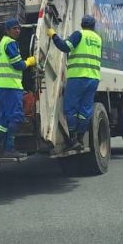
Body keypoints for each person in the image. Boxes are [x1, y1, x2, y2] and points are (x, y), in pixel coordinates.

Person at [46, 15, 102, 150]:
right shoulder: (98, 39)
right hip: (93, 78)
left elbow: (65, 47)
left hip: (78, 77)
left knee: (70, 108)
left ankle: (72, 139)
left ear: (82, 24)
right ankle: (80, 139)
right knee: (85, 110)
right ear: (93, 26)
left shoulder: (79, 35)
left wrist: (53, 35)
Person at [0, 18, 35, 158]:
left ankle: (2, 146)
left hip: (1, 86)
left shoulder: (2, 42)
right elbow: (18, 65)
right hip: (11, 87)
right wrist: (29, 62)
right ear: (7, 30)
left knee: (3, 119)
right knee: (16, 117)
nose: (17, 30)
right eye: (14, 28)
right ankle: (10, 148)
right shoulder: (11, 43)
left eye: (19, 28)